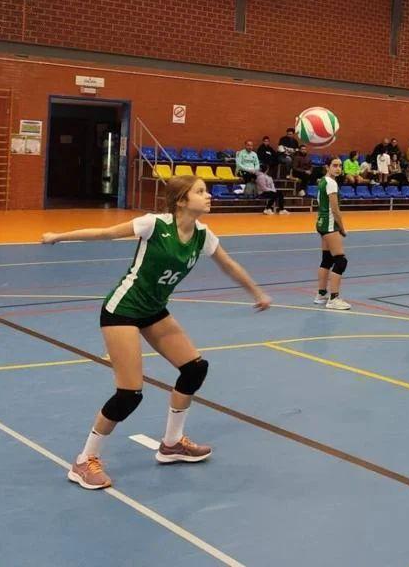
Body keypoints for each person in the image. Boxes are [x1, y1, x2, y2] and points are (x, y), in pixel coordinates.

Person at [42, 175, 271, 490]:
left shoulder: (203, 235)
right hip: (122, 310)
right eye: (200, 192)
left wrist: (256, 292)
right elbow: (107, 233)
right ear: (181, 201)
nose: (208, 196)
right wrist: (59, 236)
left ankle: (172, 443)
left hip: (153, 311)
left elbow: (228, 265)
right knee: (129, 393)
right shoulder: (154, 225)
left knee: (194, 369)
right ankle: (84, 461)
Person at [313, 158, 351, 310]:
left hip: (321, 223)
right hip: (329, 225)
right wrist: (341, 228)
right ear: (327, 167)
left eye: (340, 166)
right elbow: (335, 210)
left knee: (327, 260)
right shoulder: (331, 183)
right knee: (341, 261)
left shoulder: (322, 181)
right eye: (334, 165)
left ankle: (321, 294)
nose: (338, 168)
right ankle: (333, 299)